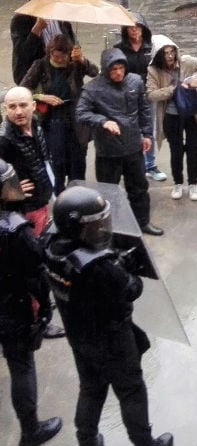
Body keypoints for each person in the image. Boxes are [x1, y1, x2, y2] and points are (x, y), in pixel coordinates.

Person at [44, 186, 174, 446]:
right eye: (95, 224)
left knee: (91, 387)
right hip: (112, 338)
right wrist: (123, 265)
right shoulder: (99, 267)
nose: (103, 228)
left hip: (79, 333)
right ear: (77, 227)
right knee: (132, 390)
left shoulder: (49, 246)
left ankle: (87, 438)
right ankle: (144, 442)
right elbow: (131, 289)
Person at [0, 159, 63, 446]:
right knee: (22, 366)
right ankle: (30, 431)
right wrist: (45, 308)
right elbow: (35, 273)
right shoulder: (15, 228)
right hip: (12, 307)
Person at [76, 48, 163, 236]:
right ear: (106, 69)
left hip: (133, 146)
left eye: (121, 68)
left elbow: (144, 109)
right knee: (109, 192)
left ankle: (142, 222)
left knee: (139, 188)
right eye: (113, 69)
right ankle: (112, 228)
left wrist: (147, 134)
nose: (118, 73)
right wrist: (103, 121)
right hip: (108, 151)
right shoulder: (92, 88)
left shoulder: (135, 81)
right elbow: (81, 113)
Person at [20, 35, 98, 195]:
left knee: (78, 161)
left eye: (63, 57)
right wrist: (41, 97)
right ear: (50, 52)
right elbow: (24, 88)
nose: (60, 60)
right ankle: (60, 196)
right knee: (57, 161)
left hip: (76, 116)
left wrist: (82, 59)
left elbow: (95, 72)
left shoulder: (76, 63)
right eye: (55, 56)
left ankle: (78, 195)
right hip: (53, 118)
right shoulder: (40, 65)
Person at [146, 34, 197, 202]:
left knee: (193, 149)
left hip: (192, 114)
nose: (169, 56)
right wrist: (173, 90)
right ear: (159, 55)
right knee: (176, 151)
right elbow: (151, 94)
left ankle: (193, 184)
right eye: (165, 53)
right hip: (171, 115)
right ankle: (178, 183)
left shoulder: (186, 61)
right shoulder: (153, 71)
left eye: (172, 52)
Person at [114, 14, 166, 183]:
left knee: (148, 128)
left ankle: (150, 165)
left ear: (144, 29)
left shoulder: (151, 48)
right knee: (128, 129)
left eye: (138, 27)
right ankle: (132, 164)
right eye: (131, 27)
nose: (134, 30)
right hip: (126, 95)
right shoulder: (119, 49)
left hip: (148, 95)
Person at [0, 87, 55, 234]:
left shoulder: (36, 124)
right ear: (6, 109)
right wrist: (5, 191)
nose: (18, 112)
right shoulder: (3, 139)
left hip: (42, 201)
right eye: (12, 107)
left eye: (23, 105)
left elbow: (43, 160)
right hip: (23, 212)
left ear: (33, 106)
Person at [10, 0, 76, 85]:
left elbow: (72, 43)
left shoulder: (59, 15)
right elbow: (22, 55)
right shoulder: (21, 19)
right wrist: (36, 30)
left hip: (60, 70)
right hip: (33, 75)